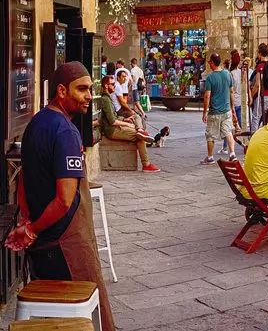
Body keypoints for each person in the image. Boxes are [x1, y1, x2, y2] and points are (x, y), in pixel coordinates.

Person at [6, 62, 117, 328]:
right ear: (61, 91)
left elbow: (24, 179)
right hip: (66, 245)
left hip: (45, 245)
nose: (89, 96)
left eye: (90, 89)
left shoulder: (36, 123)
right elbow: (64, 200)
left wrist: (28, 224)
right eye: (81, 89)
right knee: (79, 318)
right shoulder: (66, 132)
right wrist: (32, 229)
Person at [94, 73, 161, 171]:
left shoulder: (108, 98)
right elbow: (112, 121)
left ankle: (140, 129)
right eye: (112, 84)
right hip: (112, 130)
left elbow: (114, 116)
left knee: (136, 118)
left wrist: (125, 119)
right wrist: (127, 123)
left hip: (114, 128)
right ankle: (146, 164)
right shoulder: (105, 100)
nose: (114, 86)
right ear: (106, 86)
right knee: (139, 138)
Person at [202, 50, 237, 162]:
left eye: (209, 62)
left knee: (210, 135)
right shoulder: (227, 74)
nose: (209, 64)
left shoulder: (210, 78)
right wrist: (232, 108)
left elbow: (207, 96)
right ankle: (232, 153)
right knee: (228, 132)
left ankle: (210, 157)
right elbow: (232, 92)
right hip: (226, 111)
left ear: (212, 63)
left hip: (215, 112)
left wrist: (204, 112)